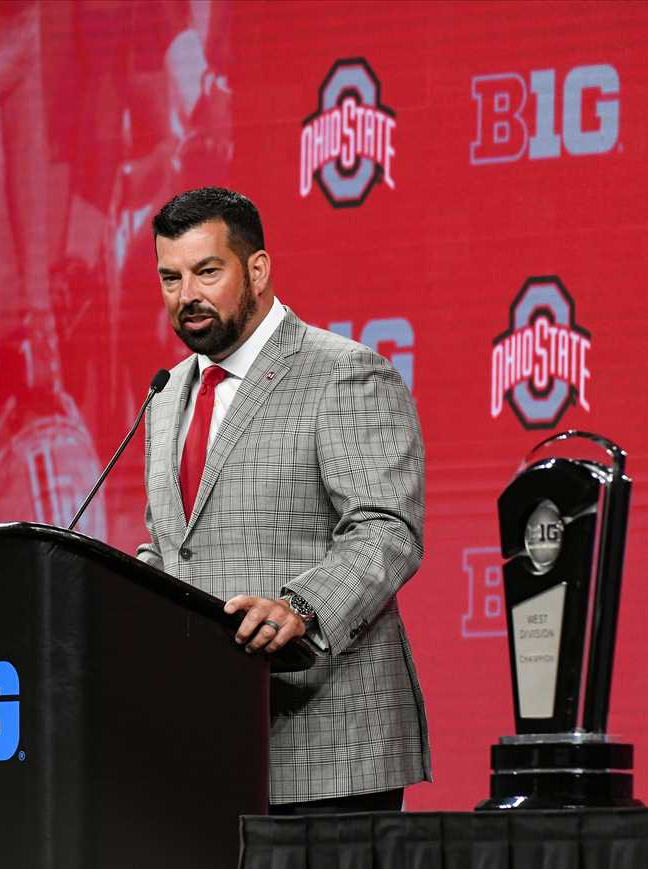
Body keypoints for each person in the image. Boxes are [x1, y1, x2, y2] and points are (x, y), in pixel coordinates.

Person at [135, 187, 430, 813]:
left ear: (258, 268)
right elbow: (170, 549)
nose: (187, 295)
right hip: (208, 746)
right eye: (170, 277)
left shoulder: (343, 373)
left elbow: (387, 530)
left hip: (331, 744)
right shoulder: (165, 398)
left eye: (207, 271)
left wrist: (303, 608)